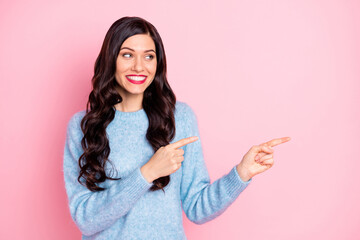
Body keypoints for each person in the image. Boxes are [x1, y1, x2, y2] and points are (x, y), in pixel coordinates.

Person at [63, 16, 291, 240]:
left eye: (149, 56)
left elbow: (198, 208)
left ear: (158, 62)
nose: (139, 66)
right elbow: (86, 219)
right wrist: (147, 173)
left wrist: (241, 173)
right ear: (111, 59)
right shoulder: (83, 127)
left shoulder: (179, 118)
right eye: (127, 55)